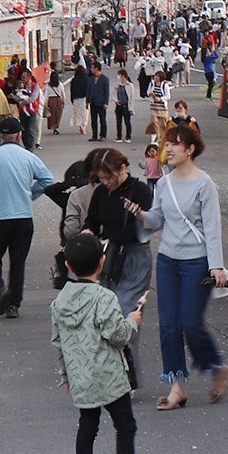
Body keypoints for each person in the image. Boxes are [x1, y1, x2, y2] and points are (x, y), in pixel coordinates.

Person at [52, 233, 165, 454]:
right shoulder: (104, 297)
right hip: (109, 374)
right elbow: (117, 335)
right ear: (102, 263)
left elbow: (58, 342)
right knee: (125, 426)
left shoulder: (59, 303)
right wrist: (133, 320)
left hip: (81, 375)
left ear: (67, 265)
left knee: (87, 426)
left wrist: (66, 375)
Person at [139, 120, 228, 410]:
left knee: (190, 323)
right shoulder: (163, 184)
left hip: (197, 261)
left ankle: (216, 367)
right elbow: (157, 220)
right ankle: (177, 386)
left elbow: (213, 228)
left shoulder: (204, 184)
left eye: (176, 144)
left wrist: (217, 266)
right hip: (168, 260)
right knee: (168, 325)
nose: (169, 149)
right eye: (168, 143)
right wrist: (140, 215)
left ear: (190, 149)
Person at [0, 116, 58, 318]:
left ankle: (0, 290)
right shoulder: (28, 156)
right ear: (19, 135)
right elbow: (47, 179)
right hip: (23, 217)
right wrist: (31, 194)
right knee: (18, 262)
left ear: (1, 136)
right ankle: (14, 305)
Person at [84, 148, 154, 387]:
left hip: (136, 257)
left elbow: (152, 222)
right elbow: (92, 221)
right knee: (104, 316)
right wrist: (87, 233)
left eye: (109, 176)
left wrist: (140, 214)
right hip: (109, 256)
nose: (105, 182)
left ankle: (129, 377)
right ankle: (110, 372)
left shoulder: (141, 191)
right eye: (101, 178)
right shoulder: (101, 193)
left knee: (125, 314)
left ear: (123, 168)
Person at [88, 65, 113, 141]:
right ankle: (94, 135)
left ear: (96, 68)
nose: (91, 69)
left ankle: (103, 135)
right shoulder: (90, 79)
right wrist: (87, 101)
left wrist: (106, 102)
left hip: (101, 102)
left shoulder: (105, 79)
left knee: (102, 120)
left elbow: (106, 92)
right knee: (93, 120)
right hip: (93, 102)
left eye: (92, 68)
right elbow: (88, 91)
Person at [113, 67, 134, 140]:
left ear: (124, 76)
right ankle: (119, 136)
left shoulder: (130, 85)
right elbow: (114, 94)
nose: (119, 77)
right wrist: (116, 100)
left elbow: (131, 97)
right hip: (119, 106)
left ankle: (128, 136)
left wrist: (131, 108)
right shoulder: (117, 85)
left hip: (126, 106)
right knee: (118, 122)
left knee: (127, 122)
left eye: (120, 75)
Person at [46, 67, 66, 134]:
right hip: (58, 100)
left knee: (52, 115)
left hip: (51, 100)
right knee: (58, 114)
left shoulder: (48, 85)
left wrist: (45, 104)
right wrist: (64, 101)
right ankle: (56, 126)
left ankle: (53, 126)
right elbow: (63, 93)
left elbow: (46, 95)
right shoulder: (60, 84)